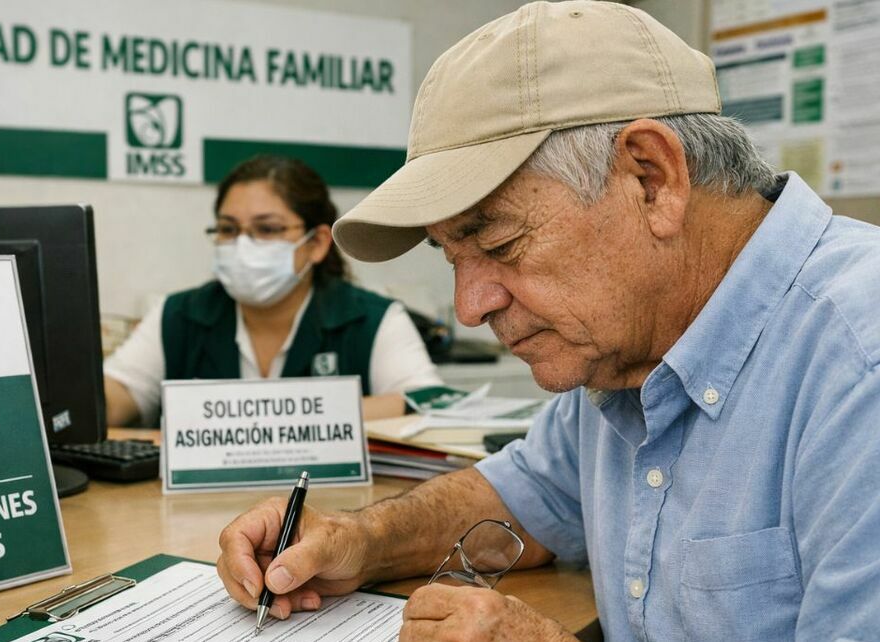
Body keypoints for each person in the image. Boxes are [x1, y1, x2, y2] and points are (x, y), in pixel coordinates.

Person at [216, 2, 880, 640]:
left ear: (651, 179)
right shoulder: (626, 348)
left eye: (500, 244)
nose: (470, 305)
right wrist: (357, 541)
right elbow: (526, 494)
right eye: (452, 258)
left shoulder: (858, 361)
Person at [103, 155, 442, 427]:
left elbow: (429, 402)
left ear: (317, 243)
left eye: (267, 229)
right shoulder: (178, 315)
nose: (243, 244)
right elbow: (112, 401)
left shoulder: (373, 320)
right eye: (228, 229)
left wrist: (263, 416)